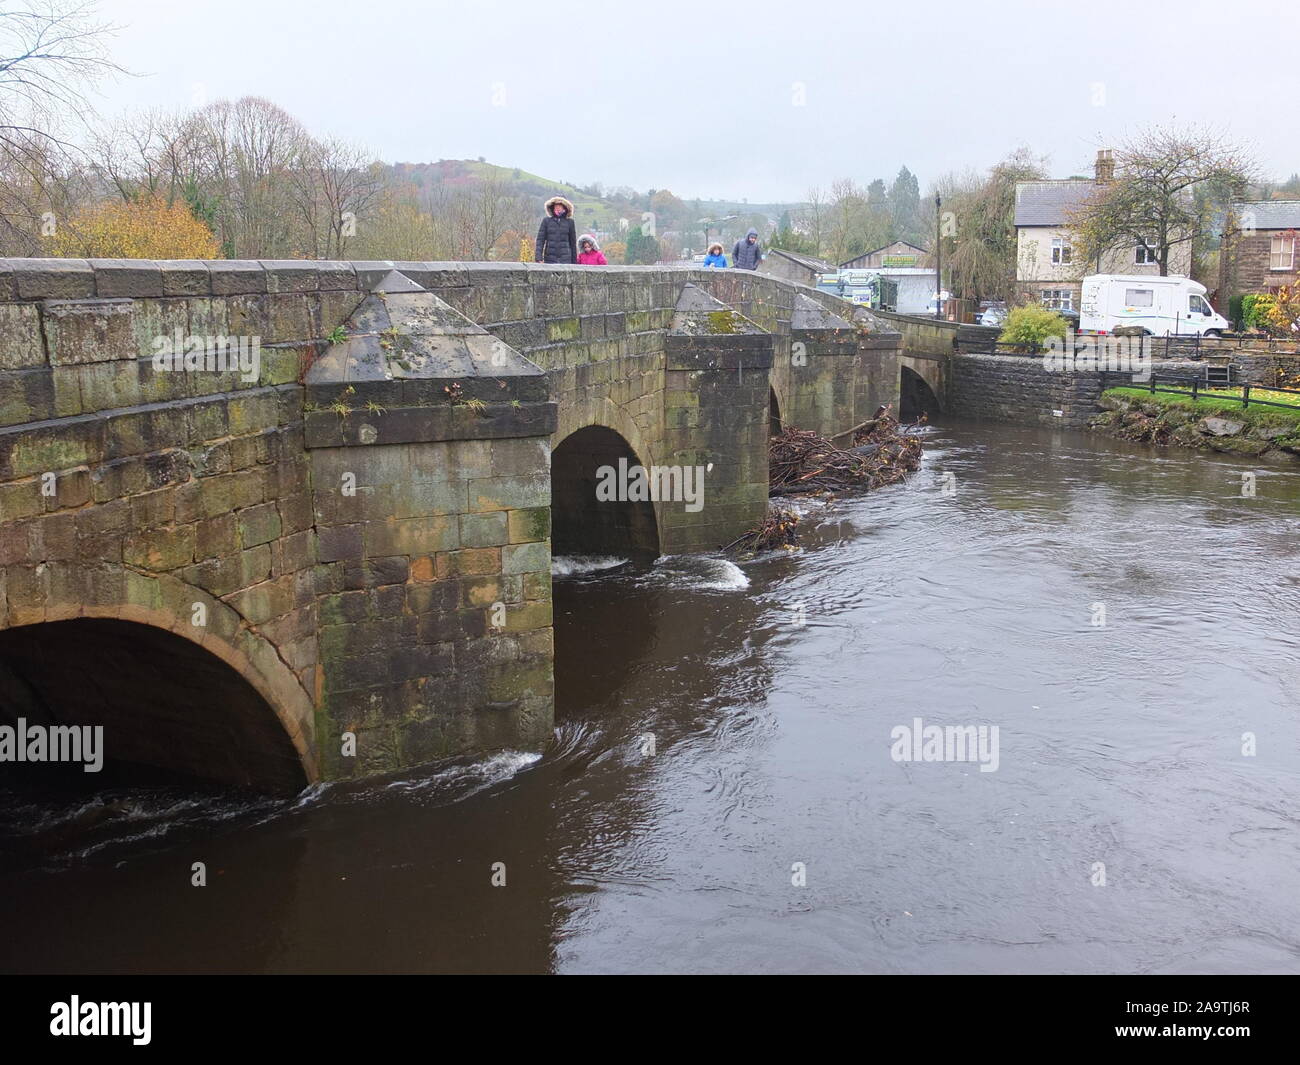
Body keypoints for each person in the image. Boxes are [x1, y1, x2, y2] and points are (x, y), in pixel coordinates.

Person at [535, 195, 577, 264]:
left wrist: (574, 263)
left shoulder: (570, 222)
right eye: (556, 205)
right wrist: (538, 258)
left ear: (564, 206)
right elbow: (540, 240)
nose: (557, 207)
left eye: (560, 205)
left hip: (566, 260)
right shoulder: (546, 221)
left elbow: (573, 244)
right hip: (549, 259)